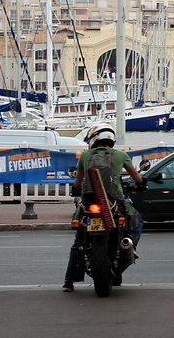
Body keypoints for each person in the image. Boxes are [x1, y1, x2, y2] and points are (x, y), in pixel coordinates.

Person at [62, 122, 145, 292]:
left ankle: (70, 280)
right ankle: (129, 246)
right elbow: (137, 178)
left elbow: (78, 182)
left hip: (90, 201)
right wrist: (142, 184)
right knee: (136, 221)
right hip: (116, 201)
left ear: (94, 139)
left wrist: (76, 190)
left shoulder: (85, 155)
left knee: (79, 239)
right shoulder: (121, 155)